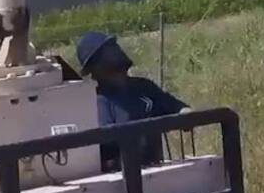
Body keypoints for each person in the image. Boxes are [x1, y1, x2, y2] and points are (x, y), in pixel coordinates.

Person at [76, 30, 189, 168]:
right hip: (117, 181)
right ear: (94, 67)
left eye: (114, 45)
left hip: (156, 172)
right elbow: (99, 146)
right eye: (109, 48)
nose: (116, 50)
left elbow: (175, 107)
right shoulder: (94, 101)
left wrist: (186, 113)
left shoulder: (144, 87)